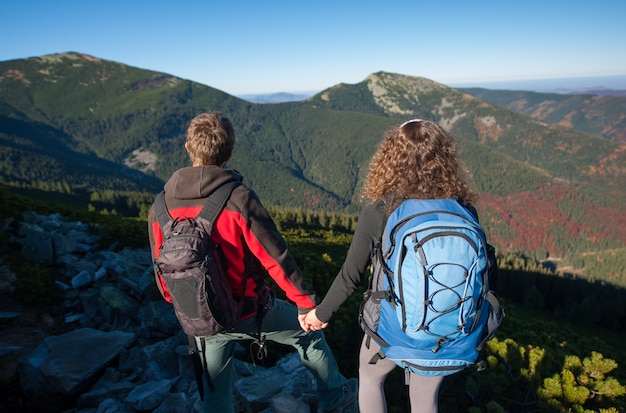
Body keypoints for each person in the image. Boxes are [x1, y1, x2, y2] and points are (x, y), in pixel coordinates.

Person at [147, 112, 357, 413]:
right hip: (250, 311)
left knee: (214, 396)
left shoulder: (160, 206)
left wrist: (186, 304)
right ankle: (336, 398)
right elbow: (275, 257)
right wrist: (305, 304)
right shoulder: (238, 198)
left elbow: (161, 269)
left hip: (199, 317)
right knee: (309, 336)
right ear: (229, 152)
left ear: (187, 148)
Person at [301, 119, 479, 413]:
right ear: (445, 158)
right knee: (425, 399)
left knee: (370, 378)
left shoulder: (381, 210)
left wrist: (320, 315)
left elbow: (350, 276)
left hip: (390, 327)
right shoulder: (464, 210)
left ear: (391, 159)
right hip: (447, 328)